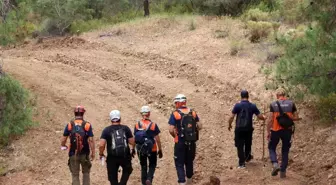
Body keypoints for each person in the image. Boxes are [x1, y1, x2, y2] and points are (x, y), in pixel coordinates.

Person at [267, 88, 301, 178]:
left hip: (275, 130)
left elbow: (270, 119)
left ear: (277, 95)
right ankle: (283, 172)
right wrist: (288, 118)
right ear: (284, 95)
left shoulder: (273, 104)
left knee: (271, 147)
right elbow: (296, 117)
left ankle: (275, 164)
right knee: (285, 150)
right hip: (287, 130)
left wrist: (268, 131)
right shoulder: (291, 104)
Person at [168, 94, 202, 185]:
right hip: (191, 142)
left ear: (178, 103)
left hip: (180, 142)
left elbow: (171, 129)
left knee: (179, 163)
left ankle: (182, 182)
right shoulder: (193, 112)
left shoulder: (175, 114)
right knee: (189, 161)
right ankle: (189, 182)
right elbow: (200, 126)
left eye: (176, 103)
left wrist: (176, 136)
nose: (175, 104)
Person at [228, 90, 265, 168]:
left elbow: (231, 117)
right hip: (248, 129)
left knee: (239, 145)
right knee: (248, 144)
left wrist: (229, 125)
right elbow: (260, 116)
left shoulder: (237, 106)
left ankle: (241, 163)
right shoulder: (252, 106)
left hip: (239, 129)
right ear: (248, 96)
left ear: (241, 96)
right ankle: (247, 157)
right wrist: (264, 117)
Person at [99, 110, 135, 185]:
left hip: (112, 157)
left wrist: (101, 153)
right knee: (127, 170)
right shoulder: (126, 128)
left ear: (111, 119)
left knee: (112, 178)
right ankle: (122, 183)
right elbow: (132, 142)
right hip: (125, 156)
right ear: (120, 118)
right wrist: (133, 149)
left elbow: (101, 145)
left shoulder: (106, 130)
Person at [61, 105, 95, 185]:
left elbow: (64, 139)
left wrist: (63, 145)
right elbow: (91, 140)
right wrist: (93, 152)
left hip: (73, 153)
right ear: (83, 113)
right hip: (85, 153)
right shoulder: (87, 125)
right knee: (86, 173)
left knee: (75, 175)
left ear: (74, 113)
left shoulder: (70, 124)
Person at [134, 106, 163, 185]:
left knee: (143, 166)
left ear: (141, 114)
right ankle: (149, 179)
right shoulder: (153, 125)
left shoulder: (137, 125)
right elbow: (157, 139)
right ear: (149, 114)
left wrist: (133, 149)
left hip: (140, 149)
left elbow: (134, 138)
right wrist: (160, 150)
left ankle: (144, 183)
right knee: (152, 165)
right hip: (152, 149)